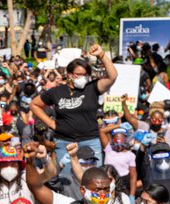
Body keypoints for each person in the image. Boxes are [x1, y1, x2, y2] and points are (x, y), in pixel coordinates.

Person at [31, 47, 117, 184]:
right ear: (69, 74)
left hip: (90, 140)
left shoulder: (92, 88)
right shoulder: (56, 92)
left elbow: (112, 76)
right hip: (65, 142)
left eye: (85, 75)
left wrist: (102, 55)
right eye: (78, 74)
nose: (82, 77)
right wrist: (51, 123)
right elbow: (34, 105)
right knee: (67, 181)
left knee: (95, 181)